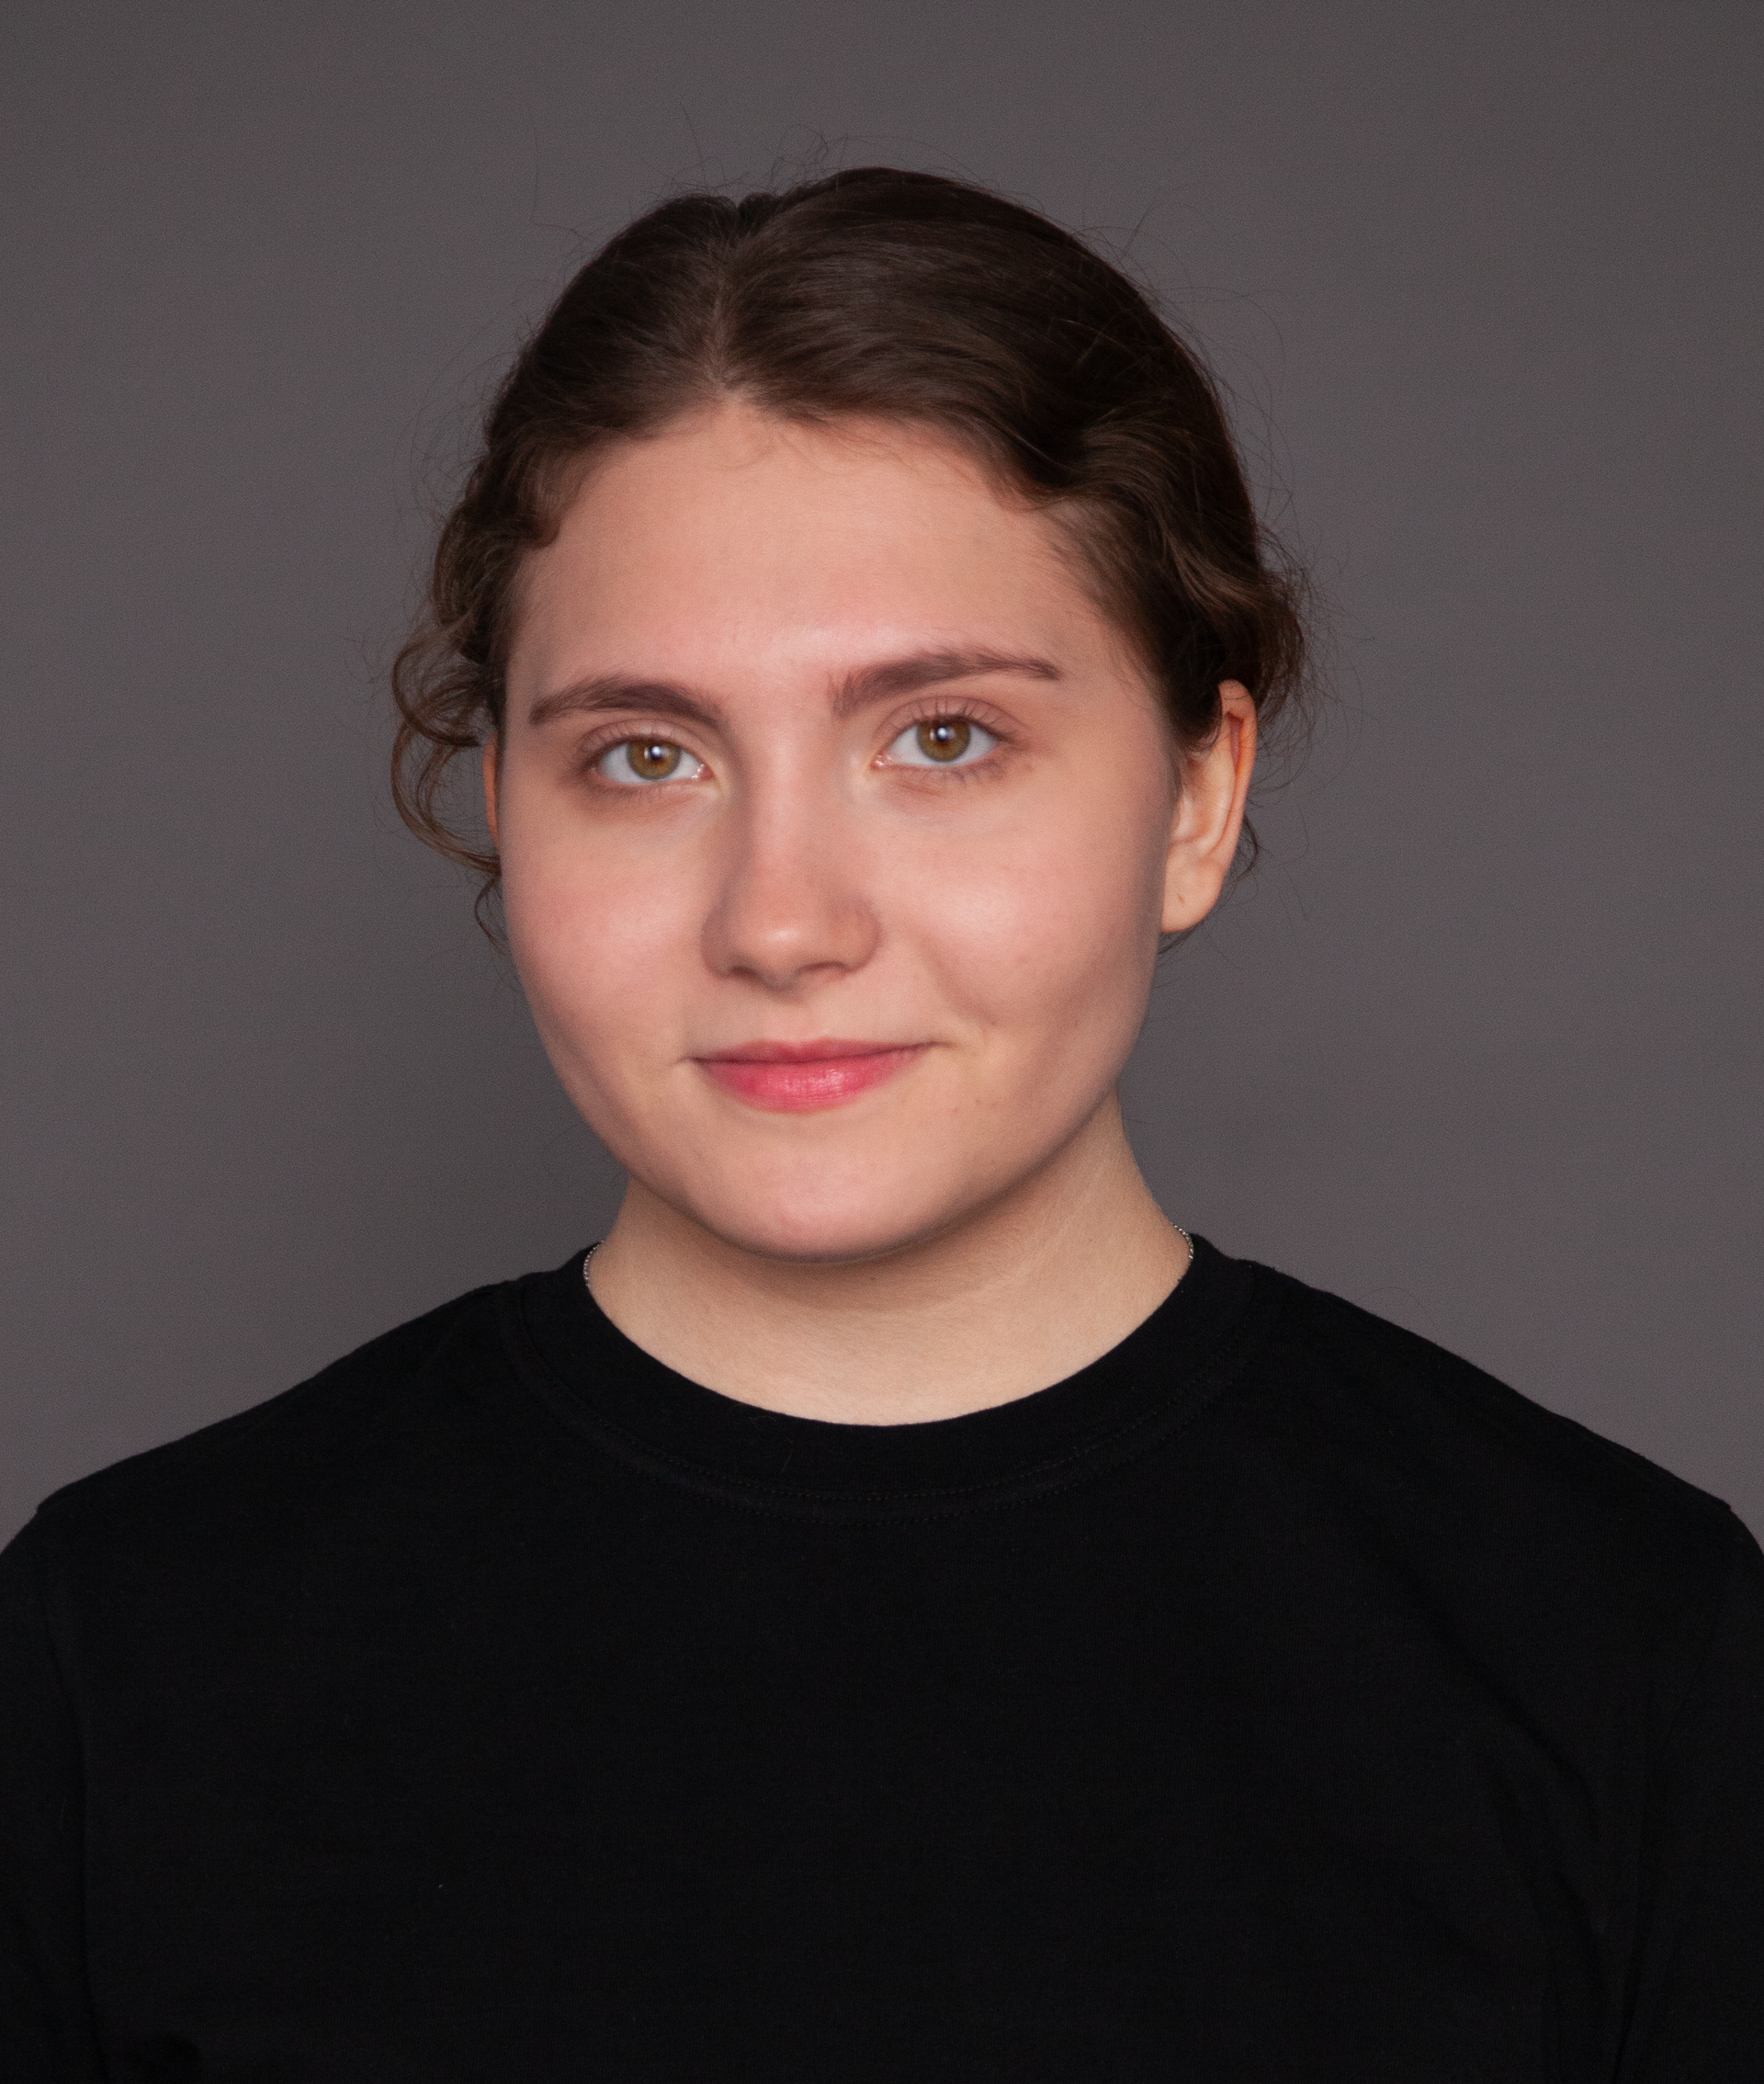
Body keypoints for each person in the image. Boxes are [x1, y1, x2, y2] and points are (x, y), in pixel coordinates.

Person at [3, 167, 1759, 2080]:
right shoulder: (121, 1654)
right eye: (646, 757)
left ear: (1198, 793)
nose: (782, 924)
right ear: (501, 801)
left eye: (944, 738)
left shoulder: (1627, 1652)